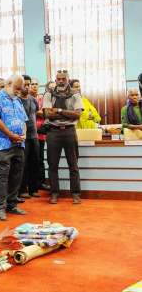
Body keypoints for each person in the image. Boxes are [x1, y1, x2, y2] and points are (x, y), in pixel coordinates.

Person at [0, 74, 28, 221]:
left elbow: (23, 120)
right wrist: (10, 135)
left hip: (19, 143)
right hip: (3, 144)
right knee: (2, 177)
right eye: (17, 88)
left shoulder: (17, 100)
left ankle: (12, 204)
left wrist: (23, 134)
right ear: (8, 84)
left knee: (17, 175)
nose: (19, 91)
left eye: (20, 88)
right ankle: (0, 208)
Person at [43, 70, 83, 205]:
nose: (60, 81)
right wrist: (68, 114)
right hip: (53, 132)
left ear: (68, 79)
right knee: (52, 165)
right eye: (58, 79)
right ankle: (54, 193)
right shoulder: (48, 94)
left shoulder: (75, 94)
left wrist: (59, 111)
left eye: (63, 79)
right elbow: (48, 114)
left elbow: (77, 115)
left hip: (69, 131)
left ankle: (76, 194)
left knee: (73, 165)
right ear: (55, 79)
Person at [18, 75, 41, 199]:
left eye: (29, 84)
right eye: (24, 85)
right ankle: (23, 190)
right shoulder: (16, 100)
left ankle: (34, 189)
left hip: (34, 136)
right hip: (23, 137)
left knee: (35, 162)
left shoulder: (33, 99)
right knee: (23, 164)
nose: (27, 87)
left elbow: (36, 112)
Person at [35, 80, 56, 191]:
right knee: (38, 159)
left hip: (50, 133)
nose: (52, 89)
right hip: (38, 132)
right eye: (50, 87)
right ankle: (38, 183)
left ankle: (42, 182)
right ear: (46, 89)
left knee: (45, 159)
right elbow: (38, 112)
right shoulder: (40, 99)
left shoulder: (57, 99)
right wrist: (51, 113)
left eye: (54, 87)